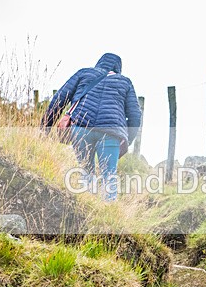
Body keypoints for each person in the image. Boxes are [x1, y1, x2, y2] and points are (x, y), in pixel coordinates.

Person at [42, 53, 141, 202]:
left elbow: (60, 98)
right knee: (109, 177)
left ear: (99, 63)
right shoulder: (125, 82)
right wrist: (127, 141)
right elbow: (135, 116)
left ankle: (88, 208)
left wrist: (45, 128)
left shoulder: (84, 73)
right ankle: (108, 216)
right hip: (111, 133)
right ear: (118, 68)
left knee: (86, 172)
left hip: (81, 127)